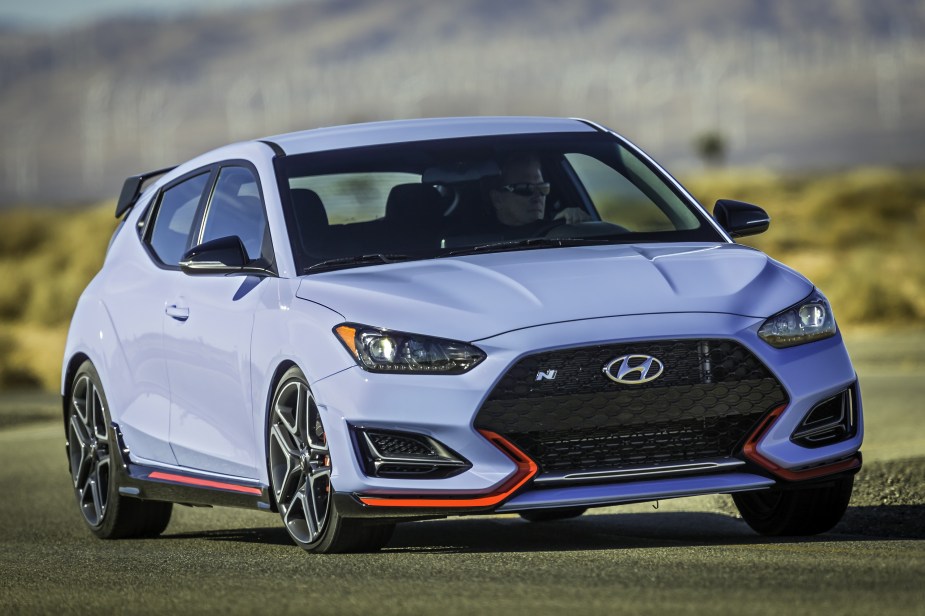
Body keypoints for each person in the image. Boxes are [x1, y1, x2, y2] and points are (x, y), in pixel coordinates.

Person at [487, 153, 591, 230]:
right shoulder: (480, 241)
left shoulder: (560, 229)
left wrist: (575, 222)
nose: (538, 197)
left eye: (543, 188)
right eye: (525, 188)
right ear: (498, 199)